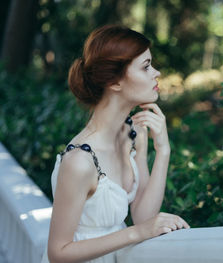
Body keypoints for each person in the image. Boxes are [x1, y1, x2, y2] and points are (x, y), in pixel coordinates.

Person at [41, 24, 190, 263]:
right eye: (146, 67)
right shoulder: (80, 161)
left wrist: (163, 150)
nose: (157, 73)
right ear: (115, 82)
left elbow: (143, 217)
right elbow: (58, 253)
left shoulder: (133, 133)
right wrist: (135, 233)